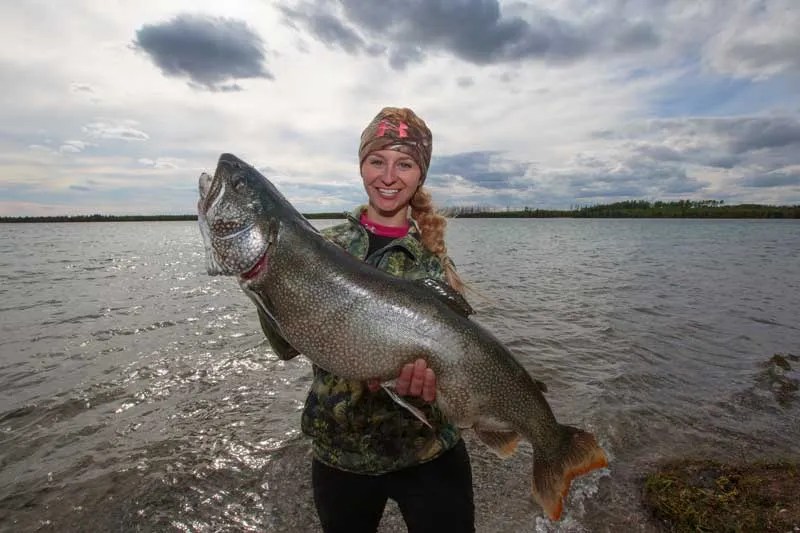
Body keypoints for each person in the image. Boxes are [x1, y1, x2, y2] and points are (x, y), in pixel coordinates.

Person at [296, 107, 474, 533]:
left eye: (405, 163)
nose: (389, 176)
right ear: (361, 166)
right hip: (342, 456)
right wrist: (262, 282)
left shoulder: (434, 260)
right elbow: (286, 344)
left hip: (428, 453)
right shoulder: (323, 249)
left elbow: (453, 363)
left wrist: (427, 391)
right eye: (377, 160)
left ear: (420, 175)